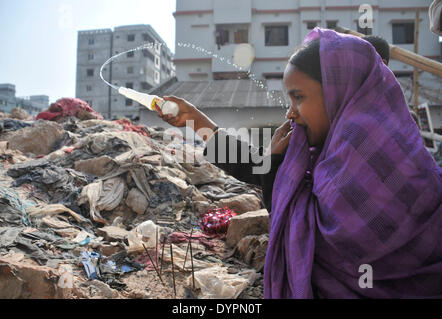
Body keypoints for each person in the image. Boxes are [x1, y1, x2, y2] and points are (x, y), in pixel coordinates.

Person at [158, 28, 442, 298]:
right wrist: (195, 120)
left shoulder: (379, 152)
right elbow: (260, 166)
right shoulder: (327, 138)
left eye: (299, 97)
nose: (290, 112)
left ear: (339, 91)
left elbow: (312, 240)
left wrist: (273, 168)